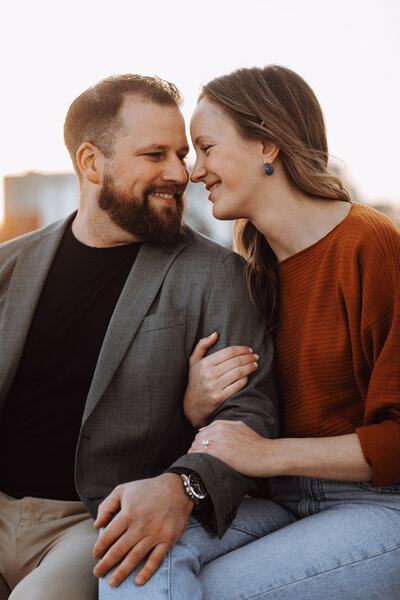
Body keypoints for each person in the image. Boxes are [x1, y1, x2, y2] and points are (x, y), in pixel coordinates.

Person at [0, 74, 280, 600]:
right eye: (155, 155)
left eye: (181, 153)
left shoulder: (217, 274)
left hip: (99, 521)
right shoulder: (8, 266)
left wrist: (183, 487)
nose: (180, 173)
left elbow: (251, 414)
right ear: (90, 163)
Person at [186, 65, 400, 599]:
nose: (195, 171)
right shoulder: (253, 274)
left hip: (379, 505)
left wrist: (268, 454)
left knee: (215, 592)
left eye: (206, 148)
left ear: (266, 145)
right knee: (138, 554)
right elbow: (247, 424)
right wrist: (196, 405)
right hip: (278, 503)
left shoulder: (370, 246)